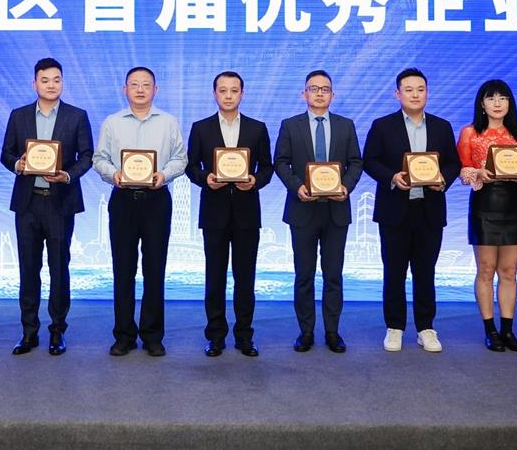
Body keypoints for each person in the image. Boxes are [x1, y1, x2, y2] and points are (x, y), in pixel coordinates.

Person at [0, 57, 94, 356]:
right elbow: (6, 153)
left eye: (56, 80)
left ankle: (57, 331)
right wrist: (18, 164)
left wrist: (67, 175)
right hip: (27, 203)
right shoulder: (19, 116)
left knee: (59, 269)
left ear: (62, 83)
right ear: (34, 83)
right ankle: (29, 332)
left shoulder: (76, 116)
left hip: (60, 203)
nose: (51, 85)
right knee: (28, 269)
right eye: (45, 80)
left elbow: (87, 156)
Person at [363, 68, 460, 353]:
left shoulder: (442, 126)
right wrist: (392, 177)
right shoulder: (382, 125)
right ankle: (394, 327)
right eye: (409, 90)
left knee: (425, 272)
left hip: (429, 210)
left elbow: (453, 163)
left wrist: (443, 179)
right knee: (394, 272)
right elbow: (370, 161)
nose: (415, 95)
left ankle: (426, 328)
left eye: (420, 89)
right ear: (398, 94)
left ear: (427, 93)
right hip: (394, 211)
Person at [92, 67, 188, 357]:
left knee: (154, 270)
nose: (140, 89)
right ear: (125, 90)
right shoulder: (112, 123)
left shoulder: (168, 122)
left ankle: (152, 335)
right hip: (123, 200)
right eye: (134, 84)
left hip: (157, 200)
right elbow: (99, 159)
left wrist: (164, 175)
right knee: (123, 270)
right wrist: (113, 174)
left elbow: (181, 158)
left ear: (155, 90)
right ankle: (123, 335)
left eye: (146, 85)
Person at [273, 70, 363, 354]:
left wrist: (346, 186)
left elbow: (356, 162)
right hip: (302, 209)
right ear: (304, 94)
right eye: (314, 88)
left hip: (337, 210)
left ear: (333, 95)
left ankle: (333, 332)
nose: (320, 93)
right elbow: (281, 162)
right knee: (304, 275)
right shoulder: (290, 125)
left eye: (325, 89)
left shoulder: (346, 125)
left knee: (333, 274)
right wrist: (297, 186)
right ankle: (306, 332)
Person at [186, 71, 274, 358]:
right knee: (214, 278)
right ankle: (215, 336)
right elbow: (190, 167)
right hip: (214, 212)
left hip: (247, 213)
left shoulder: (257, 128)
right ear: (214, 94)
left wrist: (255, 180)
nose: (228, 95)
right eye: (222, 90)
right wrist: (206, 178)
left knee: (245, 278)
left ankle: (245, 336)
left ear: (242, 94)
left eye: (234, 90)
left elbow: (267, 167)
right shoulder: (201, 128)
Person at [455, 79, 517, 353]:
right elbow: (463, 170)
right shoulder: (470, 132)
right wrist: (478, 173)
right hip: (484, 203)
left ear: (510, 102)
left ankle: (508, 330)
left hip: (513, 204)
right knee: (486, 270)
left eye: (503, 98)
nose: (497, 103)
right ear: (482, 103)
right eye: (491, 98)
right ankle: (490, 330)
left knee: (509, 271)